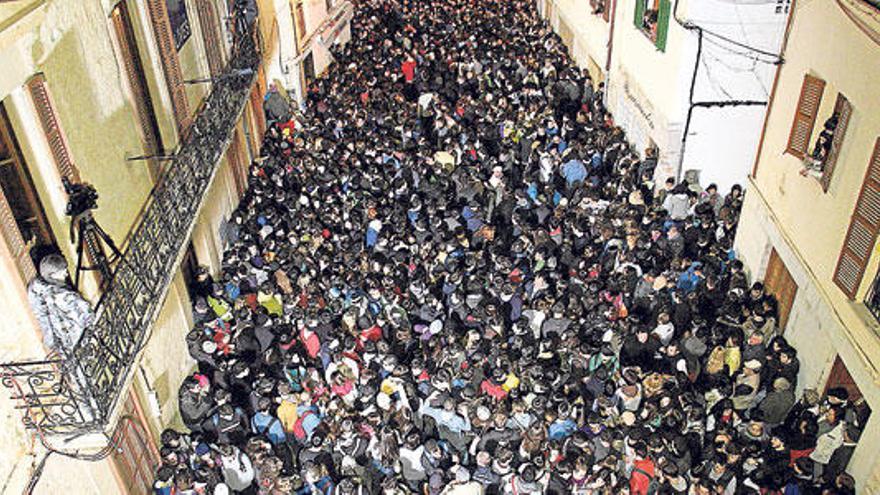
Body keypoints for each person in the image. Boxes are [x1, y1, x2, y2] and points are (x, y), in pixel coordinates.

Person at [27, 253, 94, 356]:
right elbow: (85, 313)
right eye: (63, 272)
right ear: (53, 274)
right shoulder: (62, 296)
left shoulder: (39, 292)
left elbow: (42, 318)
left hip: (63, 343)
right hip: (73, 339)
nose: (66, 274)